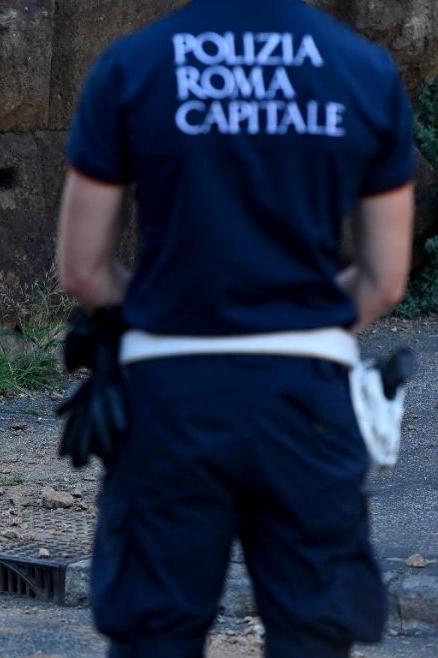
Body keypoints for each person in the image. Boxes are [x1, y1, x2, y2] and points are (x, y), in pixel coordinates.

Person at [57, 1, 415, 657]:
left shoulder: (133, 65)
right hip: (305, 395)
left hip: (169, 394)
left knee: (154, 633)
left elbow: (82, 270)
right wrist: (296, 321)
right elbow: (384, 279)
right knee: (313, 631)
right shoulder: (362, 70)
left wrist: (172, 313)